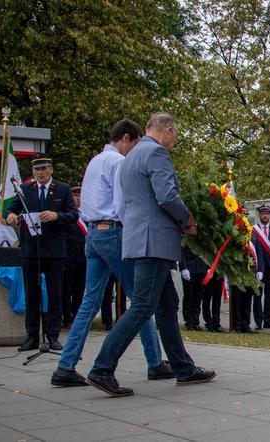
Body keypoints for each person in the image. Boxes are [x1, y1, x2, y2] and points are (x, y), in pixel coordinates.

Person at [86, 112, 214, 397]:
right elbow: (167, 196)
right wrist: (188, 221)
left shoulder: (130, 157)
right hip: (152, 242)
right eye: (175, 135)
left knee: (167, 304)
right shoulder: (156, 154)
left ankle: (183, 368)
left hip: (138, 239)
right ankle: (102, 369)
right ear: (167, 131)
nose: (174, 141)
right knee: (143, 305)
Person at [51, 119, 171, 388]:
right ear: (126, 138)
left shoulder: (95, 161)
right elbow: (121, 203)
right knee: (141, 302)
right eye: (137, 142)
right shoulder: (118, 162)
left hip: (93, 234)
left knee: (88, 303)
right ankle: (154, 362)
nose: (137, 148)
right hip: (113, 232)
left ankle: (65, 366)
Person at [6, 153, 79, 352]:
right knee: (31, 294)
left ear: (51, 170)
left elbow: (73, 215)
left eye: (44, 169)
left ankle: (53, 335)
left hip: (54, 250)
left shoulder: (62, 189)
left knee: (55, 294)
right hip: (31, 250)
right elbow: (9, 209)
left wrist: (57, 215)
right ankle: (32, 336)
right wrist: (11, 215)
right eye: (37, 170)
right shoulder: (25, 190)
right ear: (33, 172)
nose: (40, 173)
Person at [232, 208, 263, 333]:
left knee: (247, 299)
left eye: (246, 216)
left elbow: (258, 251)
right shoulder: (235, 232)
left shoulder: (253, 233)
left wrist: (259, 269)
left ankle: (246, 323)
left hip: (250, 271)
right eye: (242, 216)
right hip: (238, 270)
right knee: (238, 299)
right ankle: (237, 324)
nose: (244, 218)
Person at [180, 245, 223, 332]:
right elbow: (181, 252)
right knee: (189, 296)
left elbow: (207, 252)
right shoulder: (186, 234)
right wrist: (183, 267)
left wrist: (208, 267)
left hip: (201, 268)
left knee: (198, 297)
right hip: (189, 268)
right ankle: (189, 322)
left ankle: (195, 321)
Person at [61, 185, 87, 328]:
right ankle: (67, 317)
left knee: (80, 289)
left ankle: (77, 315)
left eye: (79, 196)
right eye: (75, 196)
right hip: (69, 257)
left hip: (83, 258)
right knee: (67, 289)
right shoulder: (67, 215)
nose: (77, 199)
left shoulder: (86, 215)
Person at [252, 204, 270, 329]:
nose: (265, 215)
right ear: (259, 215)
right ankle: (258, 321)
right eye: (263, 213)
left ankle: (267, 320)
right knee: (257, 294)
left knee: (269, 295)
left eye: (267, 213)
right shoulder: (254, 230)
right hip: (258, 269)